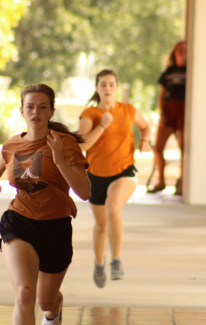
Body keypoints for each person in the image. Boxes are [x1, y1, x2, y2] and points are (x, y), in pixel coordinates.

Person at [0, 84, 91, 325]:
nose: (36, 112)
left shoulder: (63, 143)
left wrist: (60, 161)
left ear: (51, 111)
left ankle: (54, 309)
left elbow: (85, 192)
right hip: (18, 222)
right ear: (22, 111)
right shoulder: (12, 145)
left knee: (44, 301)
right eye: (30, 107)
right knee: (24, 294)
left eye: (42, 107)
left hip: (55, 227)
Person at [77, 68, 151, 288]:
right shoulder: (90, 114)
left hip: (124, 171)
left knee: (113, 207)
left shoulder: (128, 110)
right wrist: (102, 125)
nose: (107, 88)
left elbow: (145, 126)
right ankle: (99, 263)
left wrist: (144, 140)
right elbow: (82, 145)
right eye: (103, 85)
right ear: (97, 88)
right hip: (96, 176)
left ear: (117, 88)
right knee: (101, 226)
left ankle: (115, 261)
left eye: (111, 84)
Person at [147, 40, 187, 195]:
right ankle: (161, 181)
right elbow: (161, 95)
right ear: (175, 52)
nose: (183, 51)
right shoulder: (168, 72)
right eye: (180, 49)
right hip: (170, 110)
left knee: (184, 149)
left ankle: (182, 183)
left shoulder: (192, 70)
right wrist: (162, 113)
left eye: (186, 49)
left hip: (184, 111)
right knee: (158, 147)